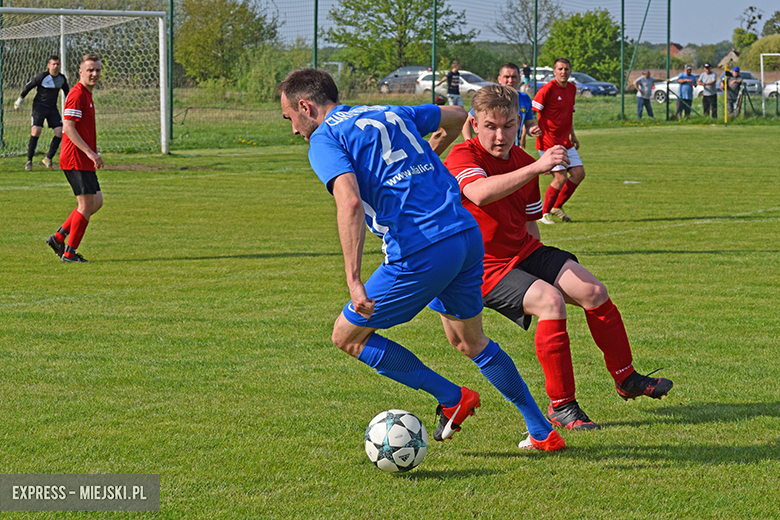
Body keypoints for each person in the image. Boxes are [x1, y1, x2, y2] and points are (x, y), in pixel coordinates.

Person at [279, 68, 565, 451]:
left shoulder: (326, 137)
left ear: (305, 107)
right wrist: (430, 153)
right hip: (464, 234)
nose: (294, 130)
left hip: (421, 246)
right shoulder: (386, 111)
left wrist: (353, 279)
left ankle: (451, 397)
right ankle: (541, 429)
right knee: (470, 342)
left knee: (347, 335)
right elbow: (455, 114)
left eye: (290, 119)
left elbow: (348, 202)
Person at [444, 84, 674, 431]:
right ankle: (562, 405)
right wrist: (538, 167)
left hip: (522, 251)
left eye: (507, 126)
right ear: (475, 124)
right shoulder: (465, 156)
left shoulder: (524, 161)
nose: (500, 135)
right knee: (551, 302)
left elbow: (529, 223)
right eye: (490, 126)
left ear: (518, 123)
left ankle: (626, 378)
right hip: (481, 267)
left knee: (594, 292)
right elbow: (479, 192)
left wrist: (538, 258)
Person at [45, 54, 104, 263]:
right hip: (75, 158)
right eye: (90, 70)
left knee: (96, 201)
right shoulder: (77, 94)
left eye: (97, 70)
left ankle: (59, 237)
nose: (94, 74)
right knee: (86, 205)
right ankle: (69, 253)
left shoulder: (87, 94)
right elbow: (68, 128)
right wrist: (90, 152)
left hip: (84, 159)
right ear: (81, 72)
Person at [532, 57, 583, 225]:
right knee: (560, 177)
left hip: (565, 141)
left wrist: (573, 135)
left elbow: (569, 115)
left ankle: (556, 207)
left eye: (566, 69)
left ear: (570, 71)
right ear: (554, 72)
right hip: (548, 141)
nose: (563, 72)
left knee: (578, 174)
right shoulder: (547, 89)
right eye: (560, 69)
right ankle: (543, 213)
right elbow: (531, 112)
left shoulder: (572, 89)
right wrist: (530, 128)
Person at [462, 63, 540, 149]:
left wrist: (532, 129)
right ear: (499, 79)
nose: (510, 80)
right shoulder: (492, 97)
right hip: (491, 150)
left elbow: (529, 124)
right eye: (506, 77)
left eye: (514, 77)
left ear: (519, 79)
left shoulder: (525, 98)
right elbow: (467, 120)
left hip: (513, 151)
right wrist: (469, 143)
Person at [14, 55, 70, 172]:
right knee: (36, 131)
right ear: (49, 65)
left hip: (52, 109)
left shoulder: (62, 79)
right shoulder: (42, 77)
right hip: (39, 108)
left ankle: (48, 158)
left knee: (60, 132)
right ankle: (29, 161)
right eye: (53, 64)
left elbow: (68, 94)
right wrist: (19, 100)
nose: (56, 66)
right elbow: (28, 87)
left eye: (57, 64)